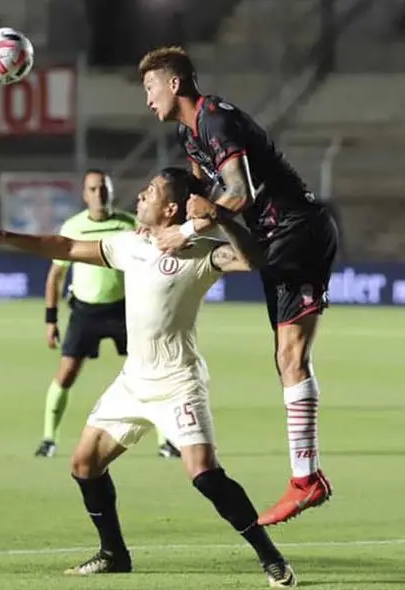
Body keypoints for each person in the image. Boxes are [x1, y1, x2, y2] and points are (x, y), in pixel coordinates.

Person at [0, 168, 297, 587]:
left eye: (149, 193)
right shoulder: (132, 244)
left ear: (171, 208)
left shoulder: (200, 249)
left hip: (178, 380)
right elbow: (67, 245)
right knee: (84, 464)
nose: (139, 198)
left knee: (203, 473)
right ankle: (114, 554)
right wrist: (6, 236)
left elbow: (252, 259)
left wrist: (218, 217)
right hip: (133, 381)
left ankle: (270, 557)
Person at [136, 46, 338, 526]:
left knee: (283, 338)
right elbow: (207, 195)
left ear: (176, 84)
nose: (147, 100)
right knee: (288, 357)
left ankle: (306, 479)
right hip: (277, 233)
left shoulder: (214, 121)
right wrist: (161, 217)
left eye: (150, 88)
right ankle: (306, 479)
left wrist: (183, 232)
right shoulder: (191, 133)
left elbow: (238, 193)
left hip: (296, 228)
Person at [35, 169, 181, 460]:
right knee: (66, 374)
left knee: (152, 371)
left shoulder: (130, 224)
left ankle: (167, 442)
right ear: (84, 194)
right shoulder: (73, 227)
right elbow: (55, 275)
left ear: (111, 191)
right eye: (93, 188)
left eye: (103, 187)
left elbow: (160, 253)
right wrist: (51, 319)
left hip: (123, 309)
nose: (99, 194)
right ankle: (49, 439)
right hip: (85, 311)